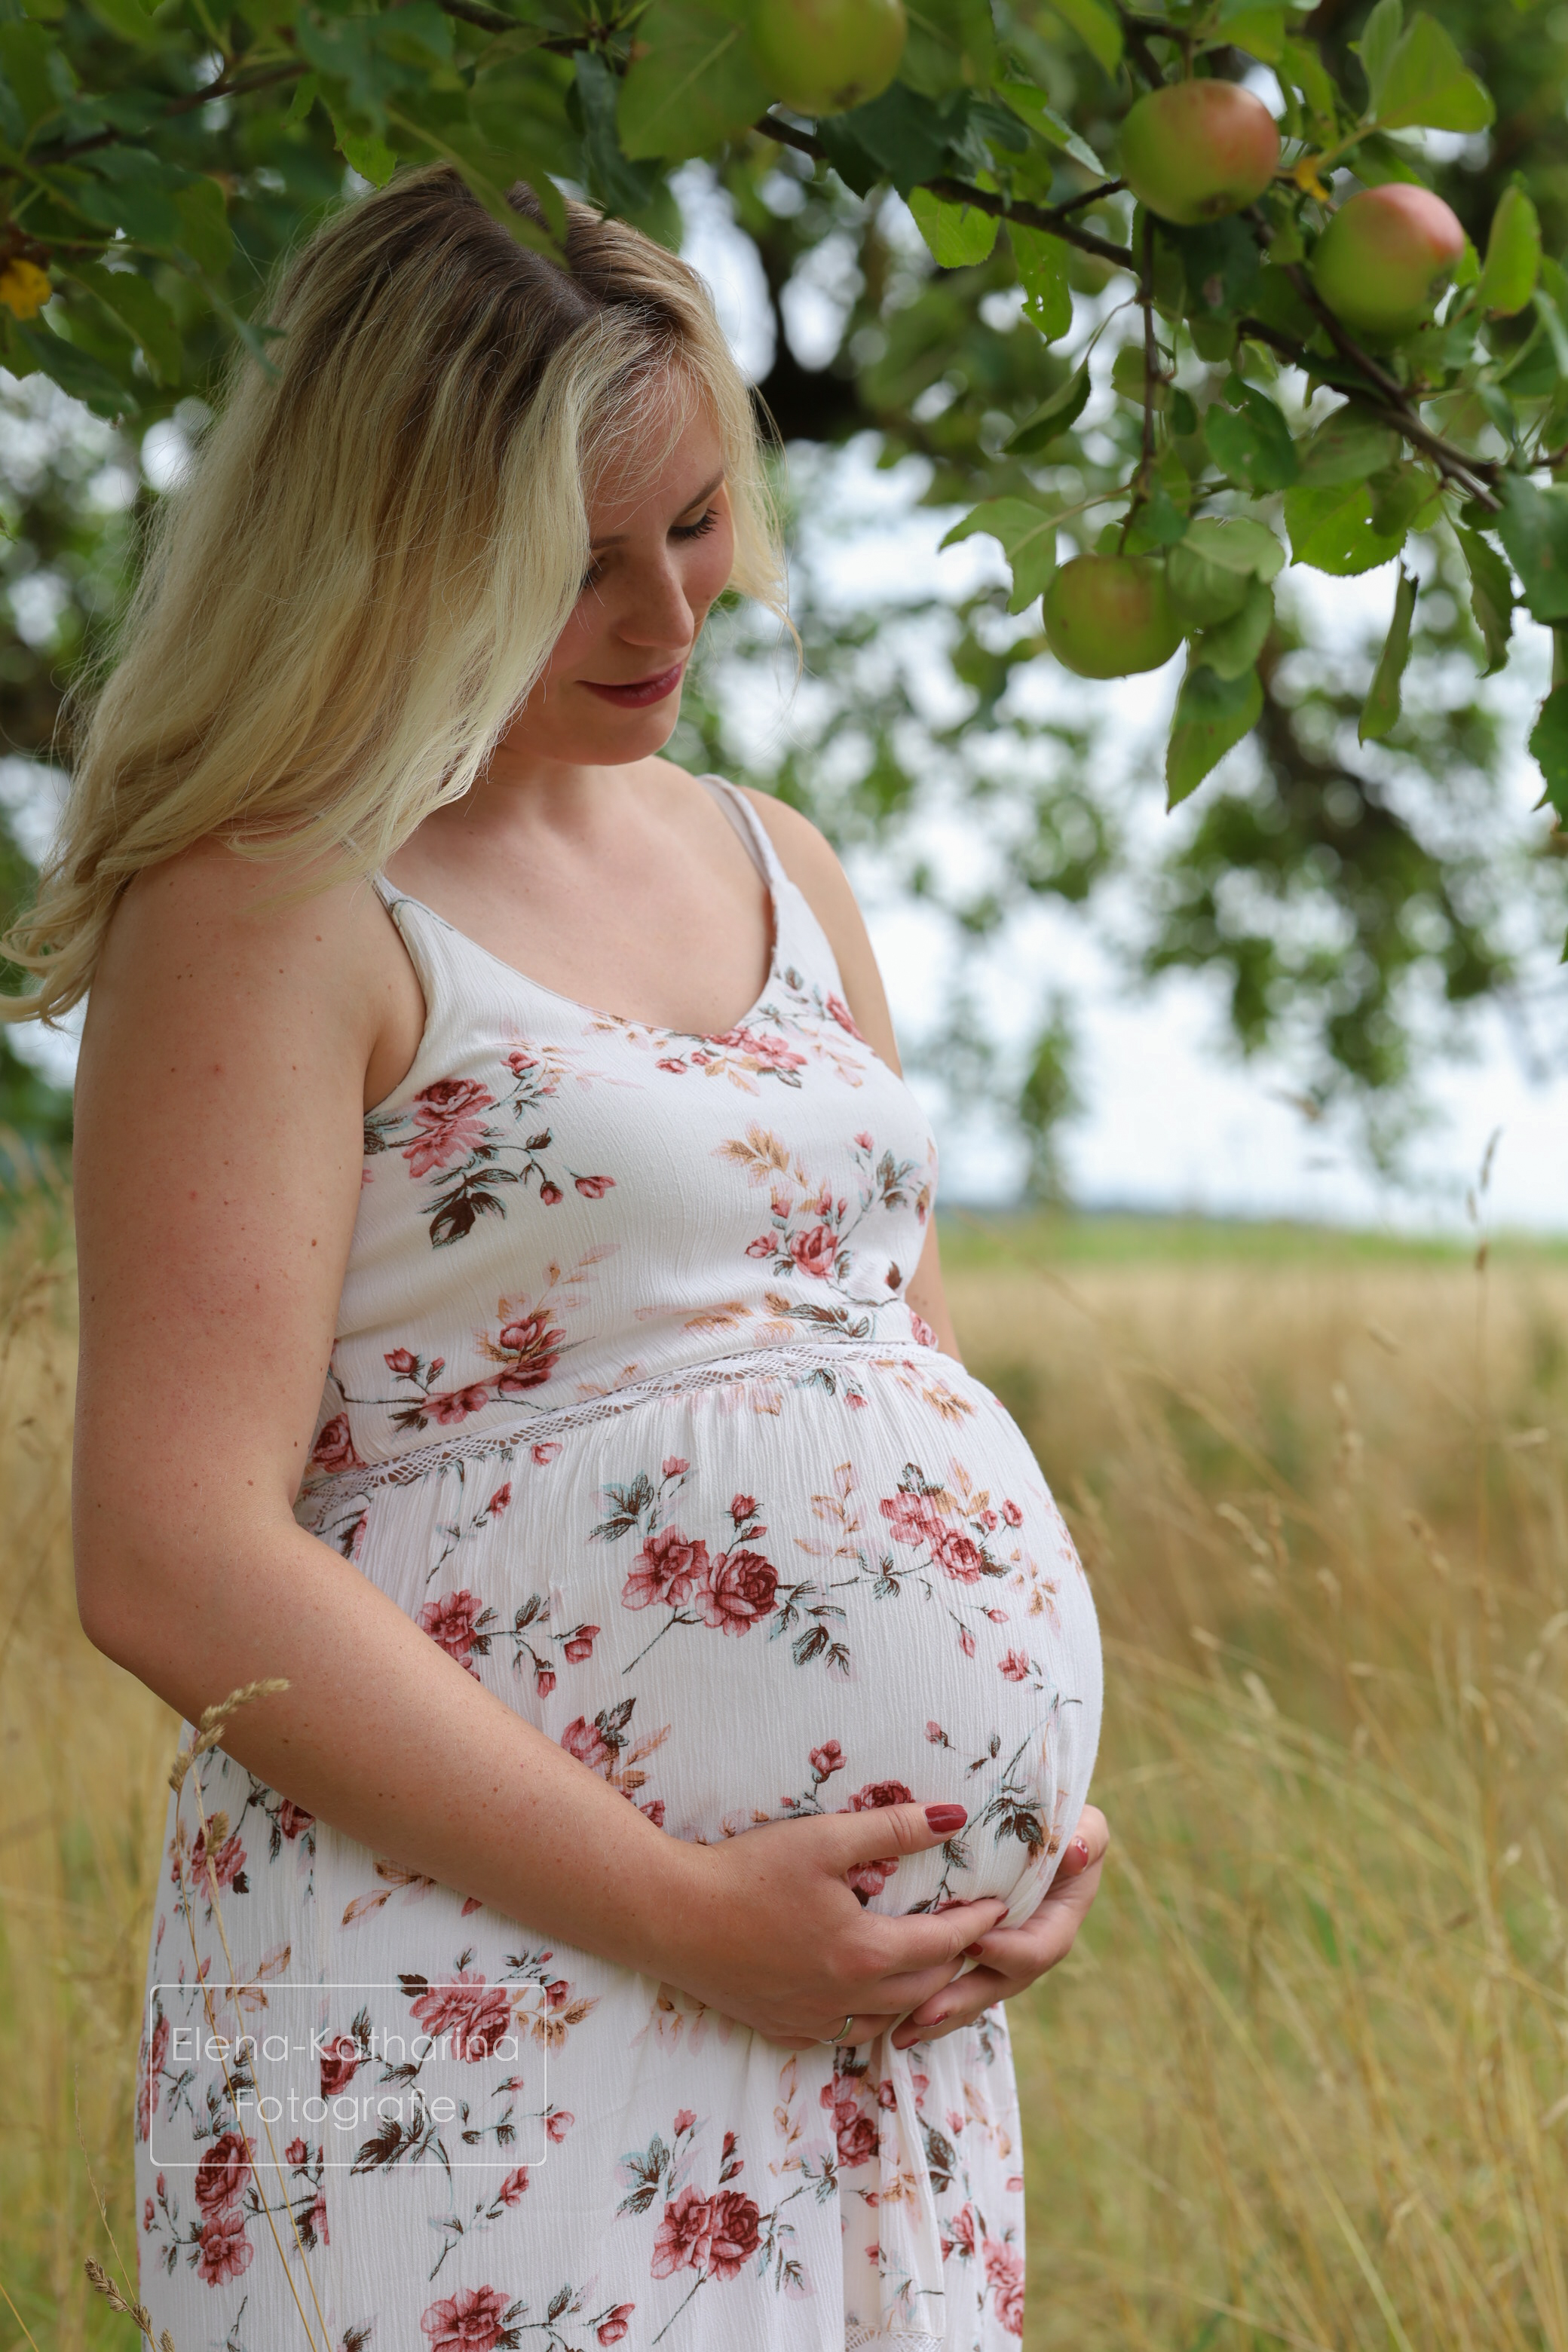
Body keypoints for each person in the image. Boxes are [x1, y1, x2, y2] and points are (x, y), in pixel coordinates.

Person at [12, 165, 1106, 2351]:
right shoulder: (272, 899)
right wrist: (690, 1913)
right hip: (479, 1987)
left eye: (694, 526)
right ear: (399, 542)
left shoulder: (776, 856)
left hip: (856, 2024)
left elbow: (903, 1364)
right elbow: (167, 1552)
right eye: (576, 564)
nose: (664, 619)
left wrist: (1011, 1825)